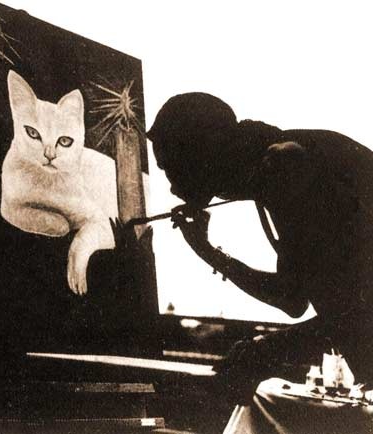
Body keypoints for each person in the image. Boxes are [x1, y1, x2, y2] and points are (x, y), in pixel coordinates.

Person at [147, 92, 373, 404]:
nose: (173, 187)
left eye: (169, 168)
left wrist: (263, 350)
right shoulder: (278, 160)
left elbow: (297, 300)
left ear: (200, 155)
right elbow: (299, 299)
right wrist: (208, 252)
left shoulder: (284, 164)